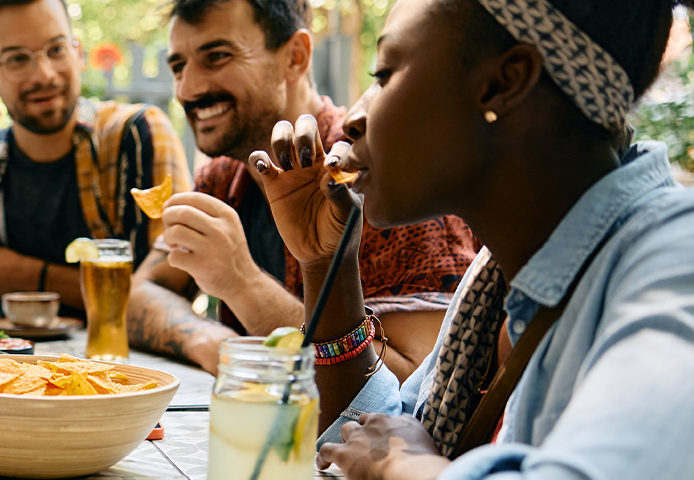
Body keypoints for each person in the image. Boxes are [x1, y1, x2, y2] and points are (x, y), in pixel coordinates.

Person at [247, 0, 694, 478]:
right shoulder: (494, 281)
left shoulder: (675, 267)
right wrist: (327, 267)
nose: (354, 117)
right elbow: (375, 434)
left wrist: (408, 469)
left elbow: (401, 456)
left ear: (503, 82)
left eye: (384, 74)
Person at [124, 0, 480, 379]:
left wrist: (243, 285)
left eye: (217, 56)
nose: (187, 88)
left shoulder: (378, 175)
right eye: (178, 66)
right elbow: (139, 294)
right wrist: (211, 341)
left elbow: (426, 381)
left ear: (295, 57)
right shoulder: (219, 179)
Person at [0, 0, 192, 320]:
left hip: (120, 364)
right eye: (17, 58)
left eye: (56, 50)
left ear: (78, 54)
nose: (43, 74)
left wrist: (24, 275)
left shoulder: (135, 135)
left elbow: (168, 292)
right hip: (2, 363)